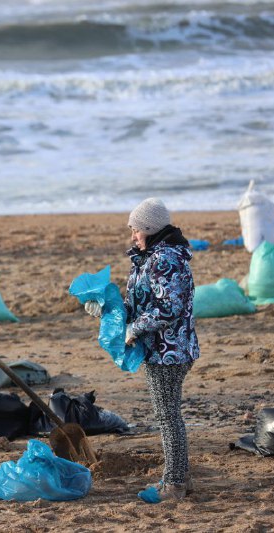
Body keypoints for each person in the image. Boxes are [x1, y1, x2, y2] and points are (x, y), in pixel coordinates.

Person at [86, 197, 200, 502]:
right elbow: (138, 306)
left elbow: (170, 308)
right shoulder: (147, 257)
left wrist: (134, 329)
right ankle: (181, 480)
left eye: (136, 229)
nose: (132, 235)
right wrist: (106, 309)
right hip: (160, 350)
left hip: (170, 351)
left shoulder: (166, 259)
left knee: (167, 417)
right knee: (168, 414)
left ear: (150, 228)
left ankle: (174, 484)